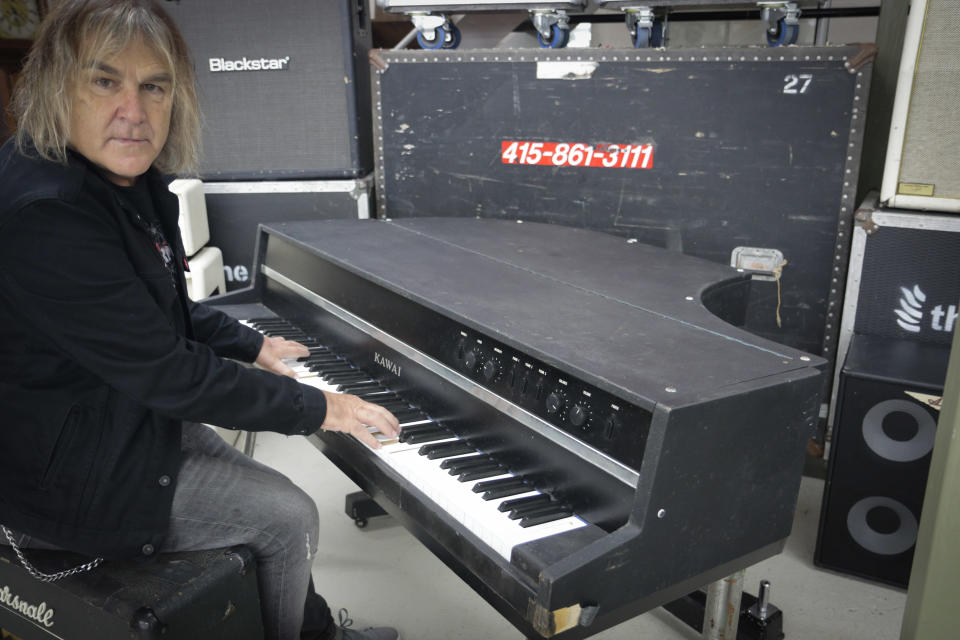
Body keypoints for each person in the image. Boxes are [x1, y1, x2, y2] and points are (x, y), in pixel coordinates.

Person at [0, 2, 400, 639]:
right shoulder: (48, 214)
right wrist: (323, 408)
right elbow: (168, 374)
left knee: (262, 493)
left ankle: (314, 630)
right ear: (56, 85)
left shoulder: (121, 178)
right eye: (105, 82)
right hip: (63, 478)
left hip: (117, 419)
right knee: (288, 515)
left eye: (153, 87)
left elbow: (162, 311)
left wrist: (253, 345)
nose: (134, 111)